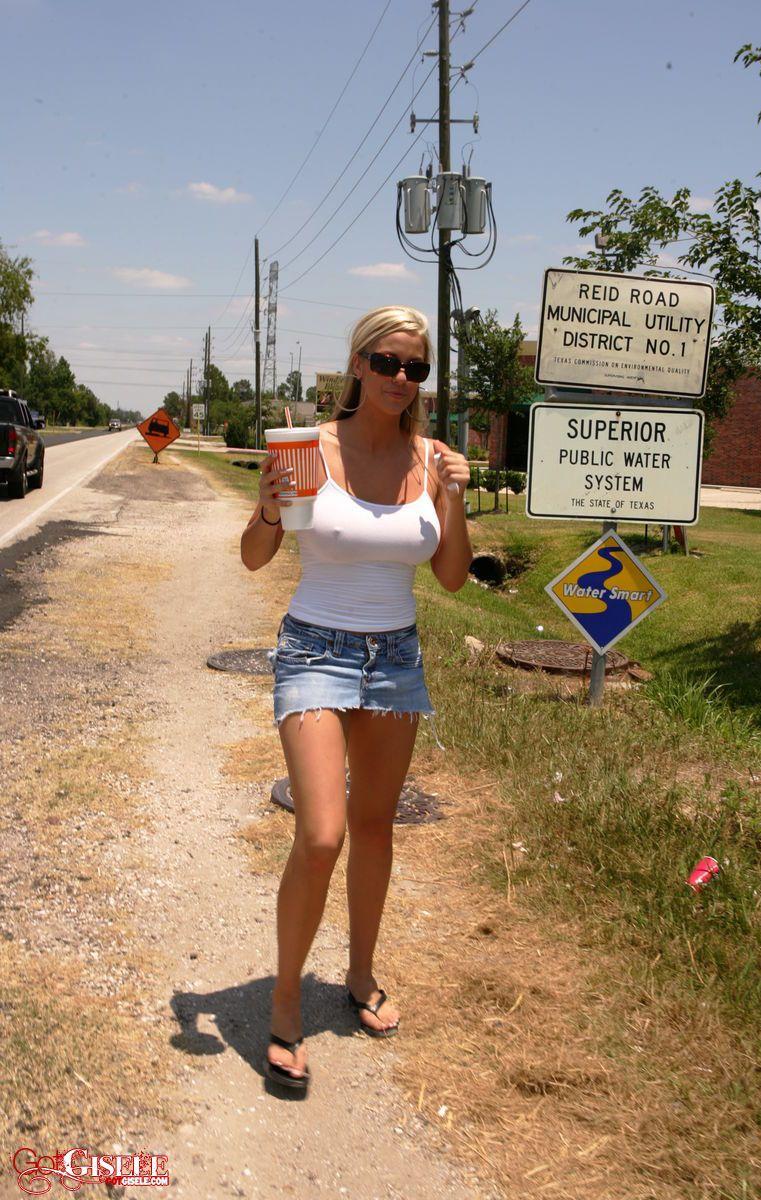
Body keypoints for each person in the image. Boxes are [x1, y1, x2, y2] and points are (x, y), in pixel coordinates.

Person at [240, 304, 472, 1092]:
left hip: (395, 659)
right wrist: (270, 504)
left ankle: (360, 973)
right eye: (387, 362)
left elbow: (448, 577)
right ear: (358, 366)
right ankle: (281, 1000)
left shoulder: (433, 458)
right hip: (314, 648)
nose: (401, 379)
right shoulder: (309, 448)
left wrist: (455, 500)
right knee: (321, 834)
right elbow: (254, 556)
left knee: (375, 828)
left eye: (415, 368)